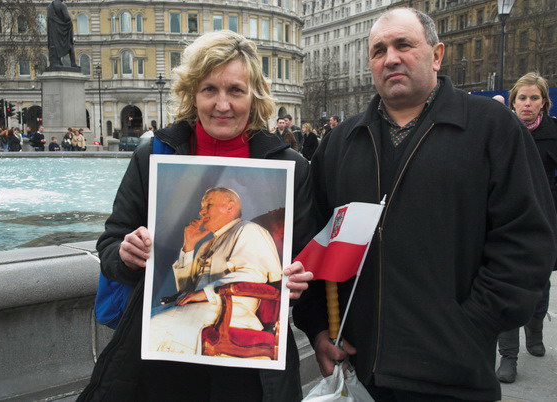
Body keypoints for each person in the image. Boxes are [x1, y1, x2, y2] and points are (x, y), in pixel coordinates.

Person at [293, 8, 556, 402]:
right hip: (363, 370)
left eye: (404, 45)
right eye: (378, 50)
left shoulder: (492, 128)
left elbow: (526, 244)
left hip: (455, 376)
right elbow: (314, 244)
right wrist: (318, 328)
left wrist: (469, 328)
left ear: (436, 55)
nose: (391, 57)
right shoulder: (342, 142)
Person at [79, 30, 316, 402]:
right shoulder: (152, 157)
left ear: (254, 98)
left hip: (247, 369)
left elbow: (298, 263)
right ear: (193, 94)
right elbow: (111, 243)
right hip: (161, 369)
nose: (222, 104)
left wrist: (301, 279)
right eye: (209, 90)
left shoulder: (291, 169)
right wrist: (125, 253)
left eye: (235, 91)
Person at [149, 187, 283, 354]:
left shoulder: (248, 230)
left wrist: (206, 293)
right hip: (202, 306)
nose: (201, 211)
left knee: (153, 326)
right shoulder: (207, 244)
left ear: (230, 207)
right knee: (145, 319)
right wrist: (189, 245)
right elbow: (185, 290)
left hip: (230, 310)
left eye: (208, 205)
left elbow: (251, 274)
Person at [496, 72, 557, 383]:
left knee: (539, 287)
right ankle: (508, 356)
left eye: (534, 98)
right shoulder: (501, 131)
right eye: (523, 98)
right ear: (513, 101)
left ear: (543, 102)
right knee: (506, 285)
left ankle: (535, 331)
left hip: (544, 223)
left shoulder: (554, 133)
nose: (528, 104)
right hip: (505, 221)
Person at [47, 0, 77, 68]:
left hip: (53, 32)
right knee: (70, 45)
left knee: (55, 46)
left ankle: (57, 61)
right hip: (62, 29)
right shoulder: (62, 5)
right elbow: (67, 17)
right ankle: (73, 63)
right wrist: (69, 24)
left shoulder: (49, 6)